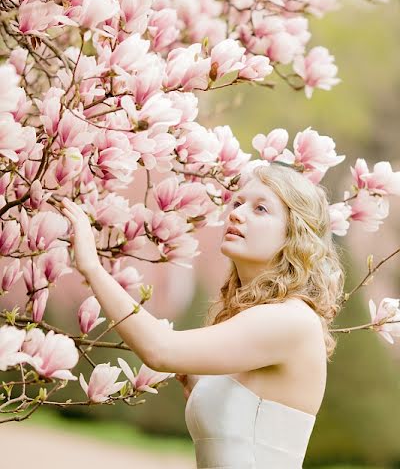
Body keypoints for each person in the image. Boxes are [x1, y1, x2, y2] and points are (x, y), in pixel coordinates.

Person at [61, 161, 345, 469]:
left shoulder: (290, 319)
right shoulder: (261, 319)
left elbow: (160, 350)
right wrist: (199, 383)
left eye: (261, 209)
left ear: (295, 234)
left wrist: (92, 266)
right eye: (238, 203)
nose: (236, 213)